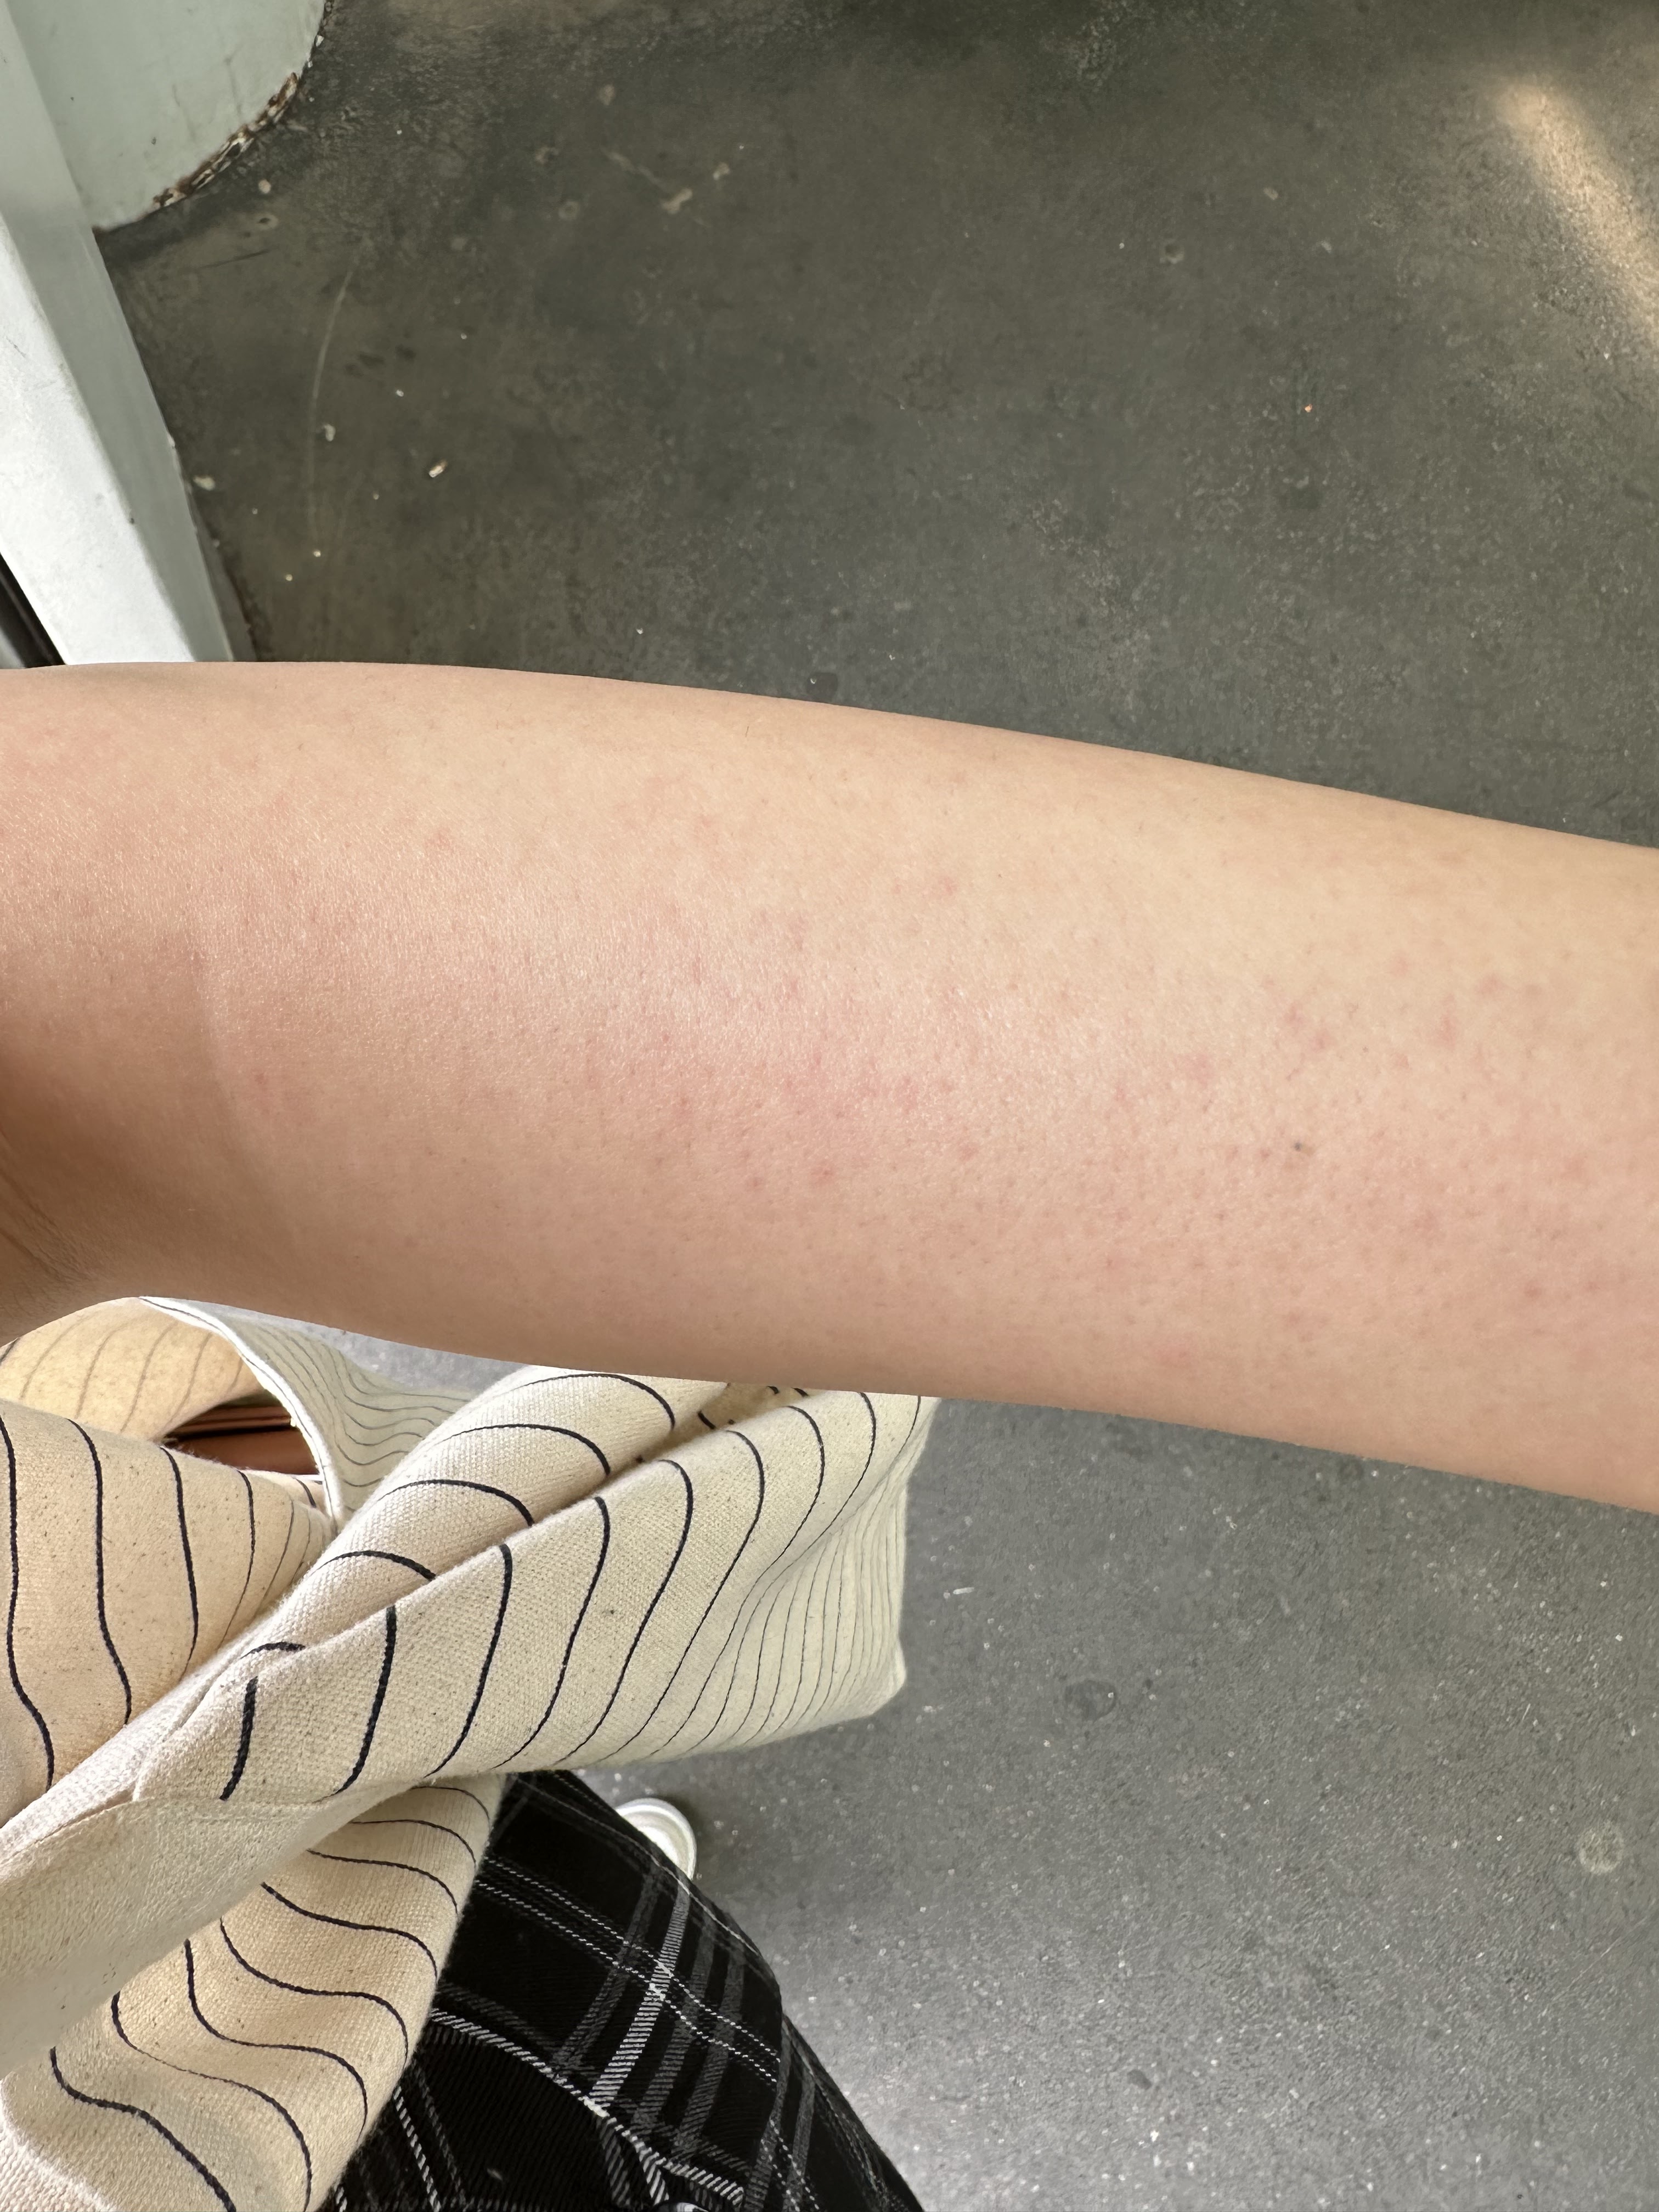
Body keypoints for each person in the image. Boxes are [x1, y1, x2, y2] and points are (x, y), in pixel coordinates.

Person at [1, 658, 1656, 2206]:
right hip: (255, 2070)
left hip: (227, 1883)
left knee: (479, 1864)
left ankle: (443, 1804)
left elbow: (123, 987)